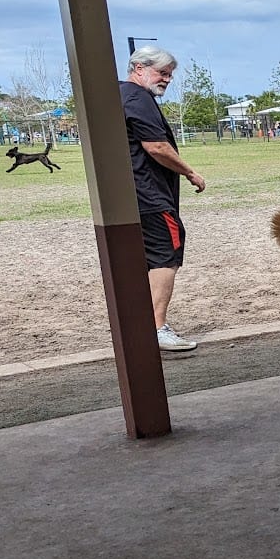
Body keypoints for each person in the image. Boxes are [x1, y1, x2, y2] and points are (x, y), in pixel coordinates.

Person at [120, 46, 206, 352]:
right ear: (139, 68)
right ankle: (157, 328)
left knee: (144, 261)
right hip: (151, 197)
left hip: (130, 197)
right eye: (162, 73)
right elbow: (156, 146)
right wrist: (190, 172)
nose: (167, 79)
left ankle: (141, 326)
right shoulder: (139, 98)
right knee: (165, 255)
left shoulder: (121, 95)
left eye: (170, 74)